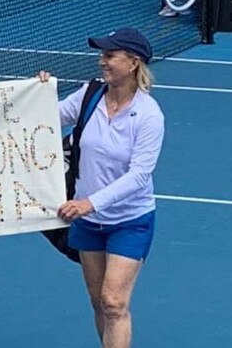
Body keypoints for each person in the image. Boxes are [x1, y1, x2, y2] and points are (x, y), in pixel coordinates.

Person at [39, 27, 164, 348]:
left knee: (114, 302)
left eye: (110, 55)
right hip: (88, 224)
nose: (102, 61)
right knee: (98, 303)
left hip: (130, 221)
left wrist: (88, 203)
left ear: (133, 62)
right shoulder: (89, 94)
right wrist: (38, 92)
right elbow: (46, 117)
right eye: (102, 55)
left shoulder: (149, 116)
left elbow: (139, 176)